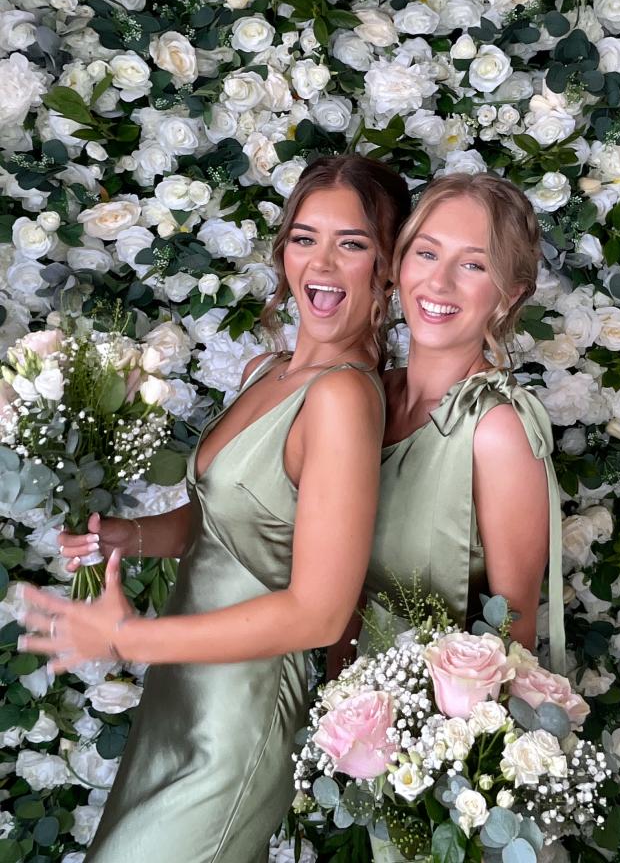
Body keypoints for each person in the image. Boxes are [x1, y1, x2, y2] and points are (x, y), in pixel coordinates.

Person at [17, 155, 411, 863]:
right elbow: (226, 526)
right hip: (182, 690)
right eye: (304, 238)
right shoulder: (270, 370)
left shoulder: (343, 398)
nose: (321, 263)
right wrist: (129, 535)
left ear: (387, 268)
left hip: (239, 710)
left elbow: (320, 614)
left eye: (351, 244)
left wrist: (128, 639)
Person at [360, 172, 565, 672]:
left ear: (509, 295)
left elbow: (514, 643)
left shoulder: (496, 431)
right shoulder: (368, 394)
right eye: (426, 253)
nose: (439, 282)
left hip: (436, 708)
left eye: (473, 264)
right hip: (329, 694)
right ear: (399, 263)